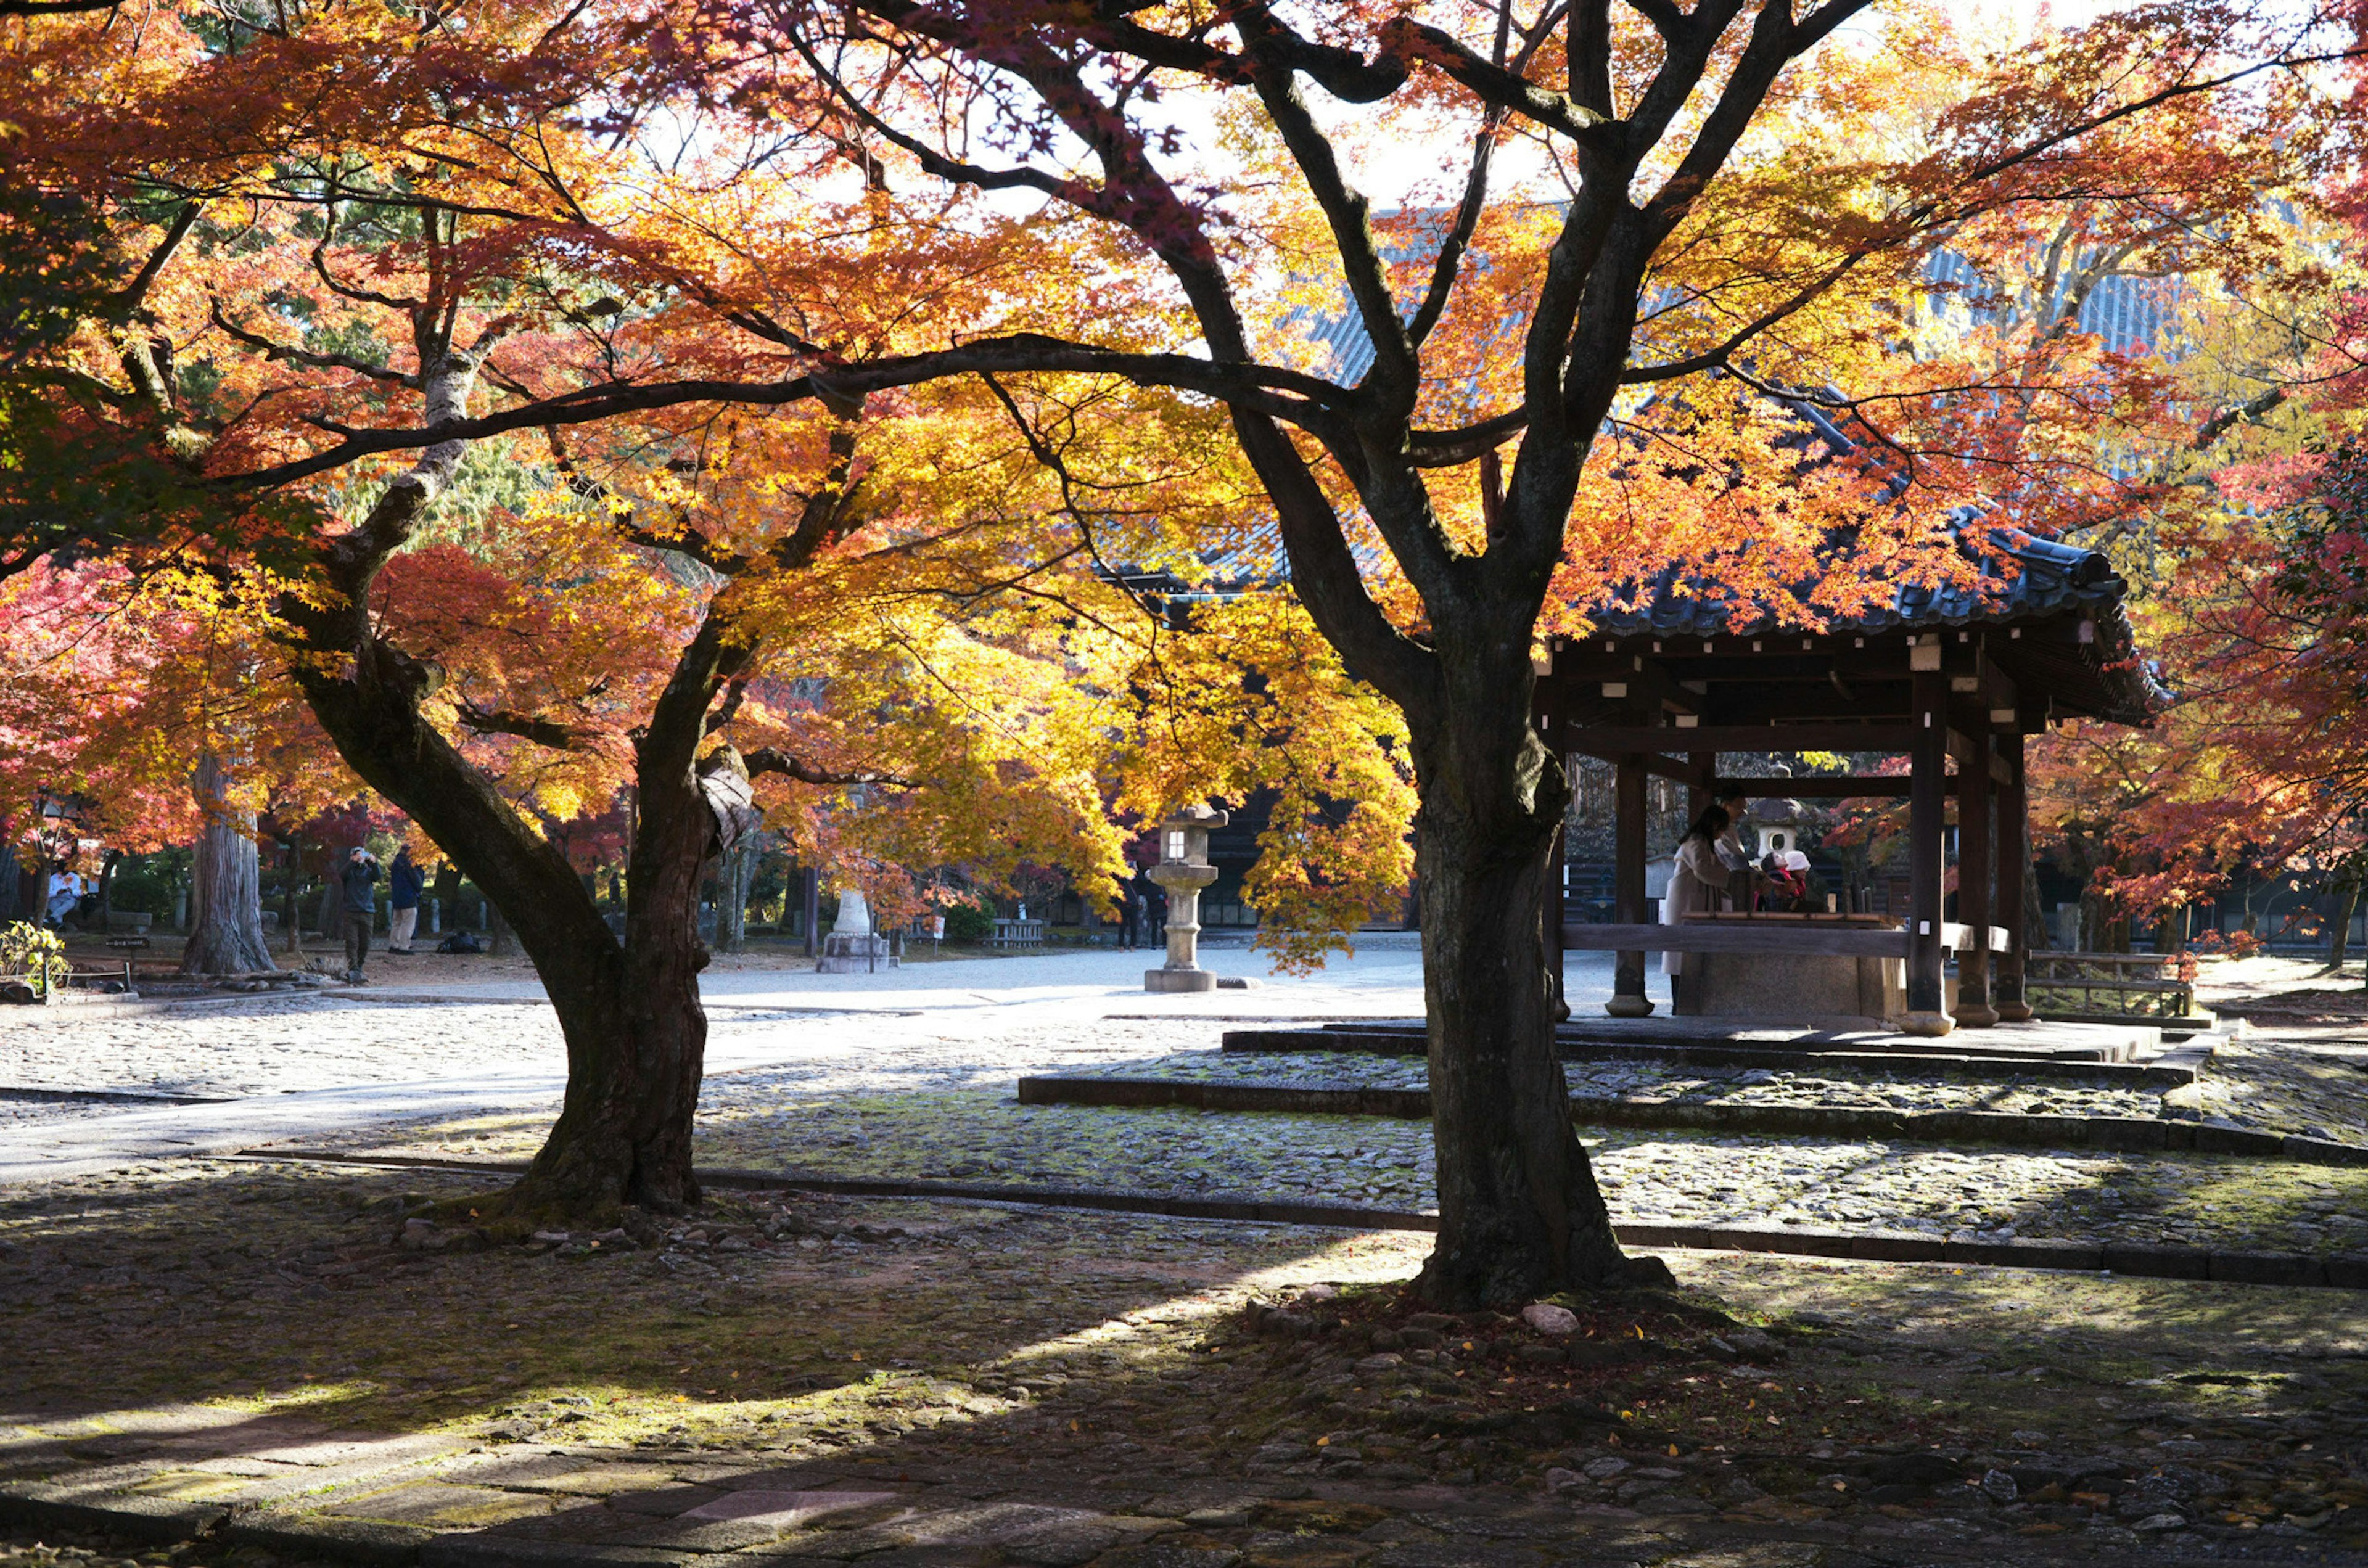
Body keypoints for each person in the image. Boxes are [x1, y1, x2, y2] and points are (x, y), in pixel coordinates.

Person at [1661, 805, 1730, 1001]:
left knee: (1689, 953)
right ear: (1715, 825)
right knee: (1682, 954)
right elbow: (1703, 869)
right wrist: (1729, 875)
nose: (1721, 834)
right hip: (1687, 900)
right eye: (1722, 829)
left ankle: (1687, 1002)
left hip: (1694, 898)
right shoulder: (1696, 842)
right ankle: (1682, 1003)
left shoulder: (1704, 843)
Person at [340, 845, 380, 983]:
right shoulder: (349, 872)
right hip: (351, 911)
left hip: (367, 911)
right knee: (352, 942)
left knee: (365, 943)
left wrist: (373, 863)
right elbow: (342, 874)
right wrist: (353, 861)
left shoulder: (368, 872)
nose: (360, 857)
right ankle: (353, 968)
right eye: (358, 855)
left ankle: (360, 966)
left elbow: (377, 876)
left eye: (362, 855)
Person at [388, 848, 424, 956]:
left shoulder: (396, 864)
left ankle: (394, 944)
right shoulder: (408, 865)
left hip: (397, 897)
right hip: (408, 897)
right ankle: (404, 946)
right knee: (408, 923)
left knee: (396, 922)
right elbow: (416, 882)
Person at [44, 864, 82, 930]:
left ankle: (52, 918)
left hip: (70, 898)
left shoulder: (75, 878)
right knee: (54, 905)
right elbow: (48, 893)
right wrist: (57, 892)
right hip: (56, 898)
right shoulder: (54, 878)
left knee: (69, 904)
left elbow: (80, 892)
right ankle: (59, 924)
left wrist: (72, 891)